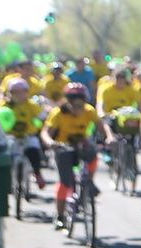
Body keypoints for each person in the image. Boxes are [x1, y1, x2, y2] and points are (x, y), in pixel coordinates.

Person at [41, 82, 103, 230]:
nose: (77, 104)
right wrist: (50, 142)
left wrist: (109, 137)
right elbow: (45, 132)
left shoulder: (89, 111)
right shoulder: (58, 113)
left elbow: (102, 126)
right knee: (65, 183)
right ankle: (60, 216)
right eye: (74, 100)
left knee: (93, 155)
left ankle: (89, 181)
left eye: (80, 100)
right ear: (68, 100)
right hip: (63, 148)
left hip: (82, 145)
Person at [1, 77, 47, 189]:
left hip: (28, 135)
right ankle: (6, 179)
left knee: (34, 150)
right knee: (7, 155)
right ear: (10, 93)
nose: (19, 95)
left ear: (26, 93)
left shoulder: (31, 105)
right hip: (11, 136)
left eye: (22, 92)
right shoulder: (4, 105)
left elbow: (42, 117)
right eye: (15, 93)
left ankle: (37, 173)